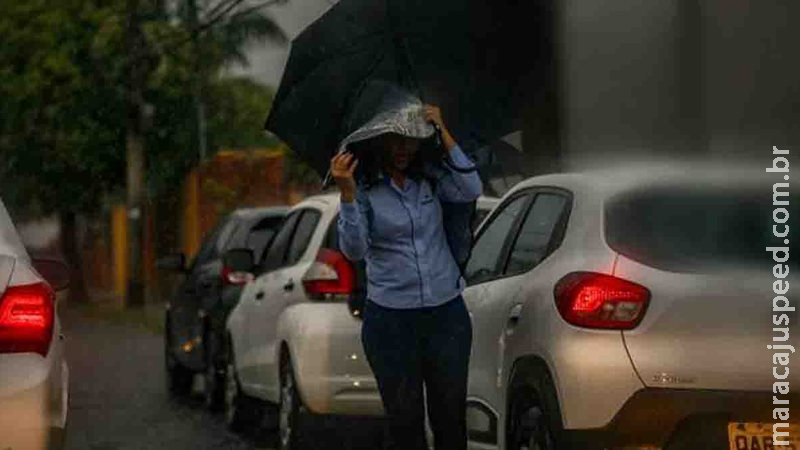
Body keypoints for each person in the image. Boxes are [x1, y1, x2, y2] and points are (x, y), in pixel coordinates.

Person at [331, 104, 482, 450]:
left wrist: (443, 130)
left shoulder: (430, 177)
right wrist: (347, 194)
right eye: (395, 139)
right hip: (391, 321)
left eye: (411, 139)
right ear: (379, 140)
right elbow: (354, 250)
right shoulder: (366, 189)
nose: (403, 149)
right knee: (405, 424)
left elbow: (472, 188)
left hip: (446, 315)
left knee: (450, 420)